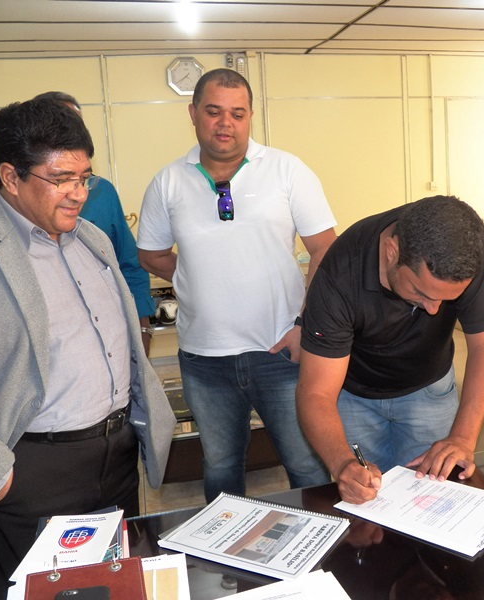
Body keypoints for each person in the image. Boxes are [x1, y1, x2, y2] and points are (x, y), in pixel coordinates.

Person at [0, 98, 176, 600]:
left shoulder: (91, 239)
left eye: (85, 177)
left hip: (115, 460)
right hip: (27, 472)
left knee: (113, 588)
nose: (78, 193)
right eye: (61, 179)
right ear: (10, 177)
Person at [137, 67, 336, 503]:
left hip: (281, 351)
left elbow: (325, 249)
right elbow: (151, 255)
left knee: (306, 463)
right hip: (204, 360)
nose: (225, 123)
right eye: (213, 112)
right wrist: (199, 274)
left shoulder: (287, 170)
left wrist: (305, 324)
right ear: (193, 114)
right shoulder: (168, 181)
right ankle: (229, 546)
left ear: (249, 117)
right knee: (221, 467)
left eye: (237, 113)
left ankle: (322, 543)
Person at [296, 195, 484, 505]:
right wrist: (342, 464)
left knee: (435, 504)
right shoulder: (341, 272)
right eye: (422, 293)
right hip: (355, 396)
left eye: (446, 299)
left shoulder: (468, 245)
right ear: (391, 251)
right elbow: (315, 392)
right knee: (366, 502)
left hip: (430, 387)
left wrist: (462, 437)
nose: (434, 310)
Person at [32, 91, 156, 355]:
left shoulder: (102, 191)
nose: (77, 195)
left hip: (108, 337)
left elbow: (129, 264)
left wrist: (143, 327)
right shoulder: (16, 199)